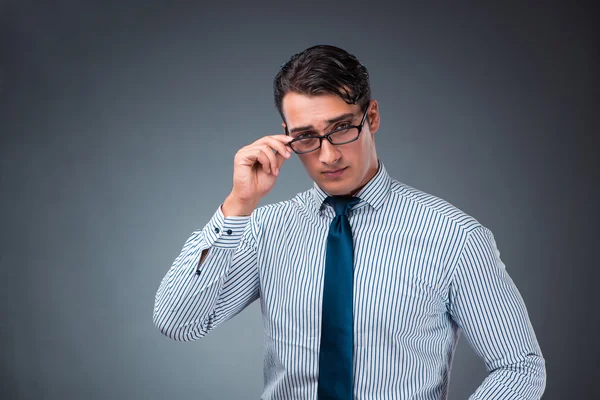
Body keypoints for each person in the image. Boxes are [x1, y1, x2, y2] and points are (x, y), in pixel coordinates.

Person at [153, 44, 546, 399]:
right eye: (306, 137)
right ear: (286, 138)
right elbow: (178, 322)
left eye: (341, 128)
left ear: (371, 116)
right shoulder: (265, 229)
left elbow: (520, 367)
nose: (327, 156)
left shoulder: (454, 238)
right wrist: (237, 205)